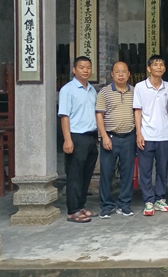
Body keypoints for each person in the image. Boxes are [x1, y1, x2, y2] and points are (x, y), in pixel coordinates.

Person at [58, 56, 99, 223]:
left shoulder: (92, 90)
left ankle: (81, 206)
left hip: (90, 137)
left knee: (86, 175)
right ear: (74, 70)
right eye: (81, 67)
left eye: (88, 67)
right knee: (74, 175)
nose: (85, 70)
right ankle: (73, 211)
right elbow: (64, 116)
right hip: (76, 137)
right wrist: (67, 140)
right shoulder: (67, 90)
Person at [133, 55, 168, 216]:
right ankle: (148, 201)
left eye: (161, 64)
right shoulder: (140, 87)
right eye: (155, 64)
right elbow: (138, 111)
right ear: (149, 68)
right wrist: (138, 133)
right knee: (146, 170)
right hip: (146, 135)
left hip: (164, 135)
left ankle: (160, 199)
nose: (159, 67)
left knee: (163, 170)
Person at [95, 61, 136, 218]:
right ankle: (106, 205)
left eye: (124, 71)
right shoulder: (104, 92)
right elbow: (99, 115)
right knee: (106, 173)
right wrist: (104, 136)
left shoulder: (134, 91)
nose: (120, 74)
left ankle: (124, 204)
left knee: (127, 172)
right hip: (110, 137)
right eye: (117, 72)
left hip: (129, 136)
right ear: (112, 74)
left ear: (128, 74)